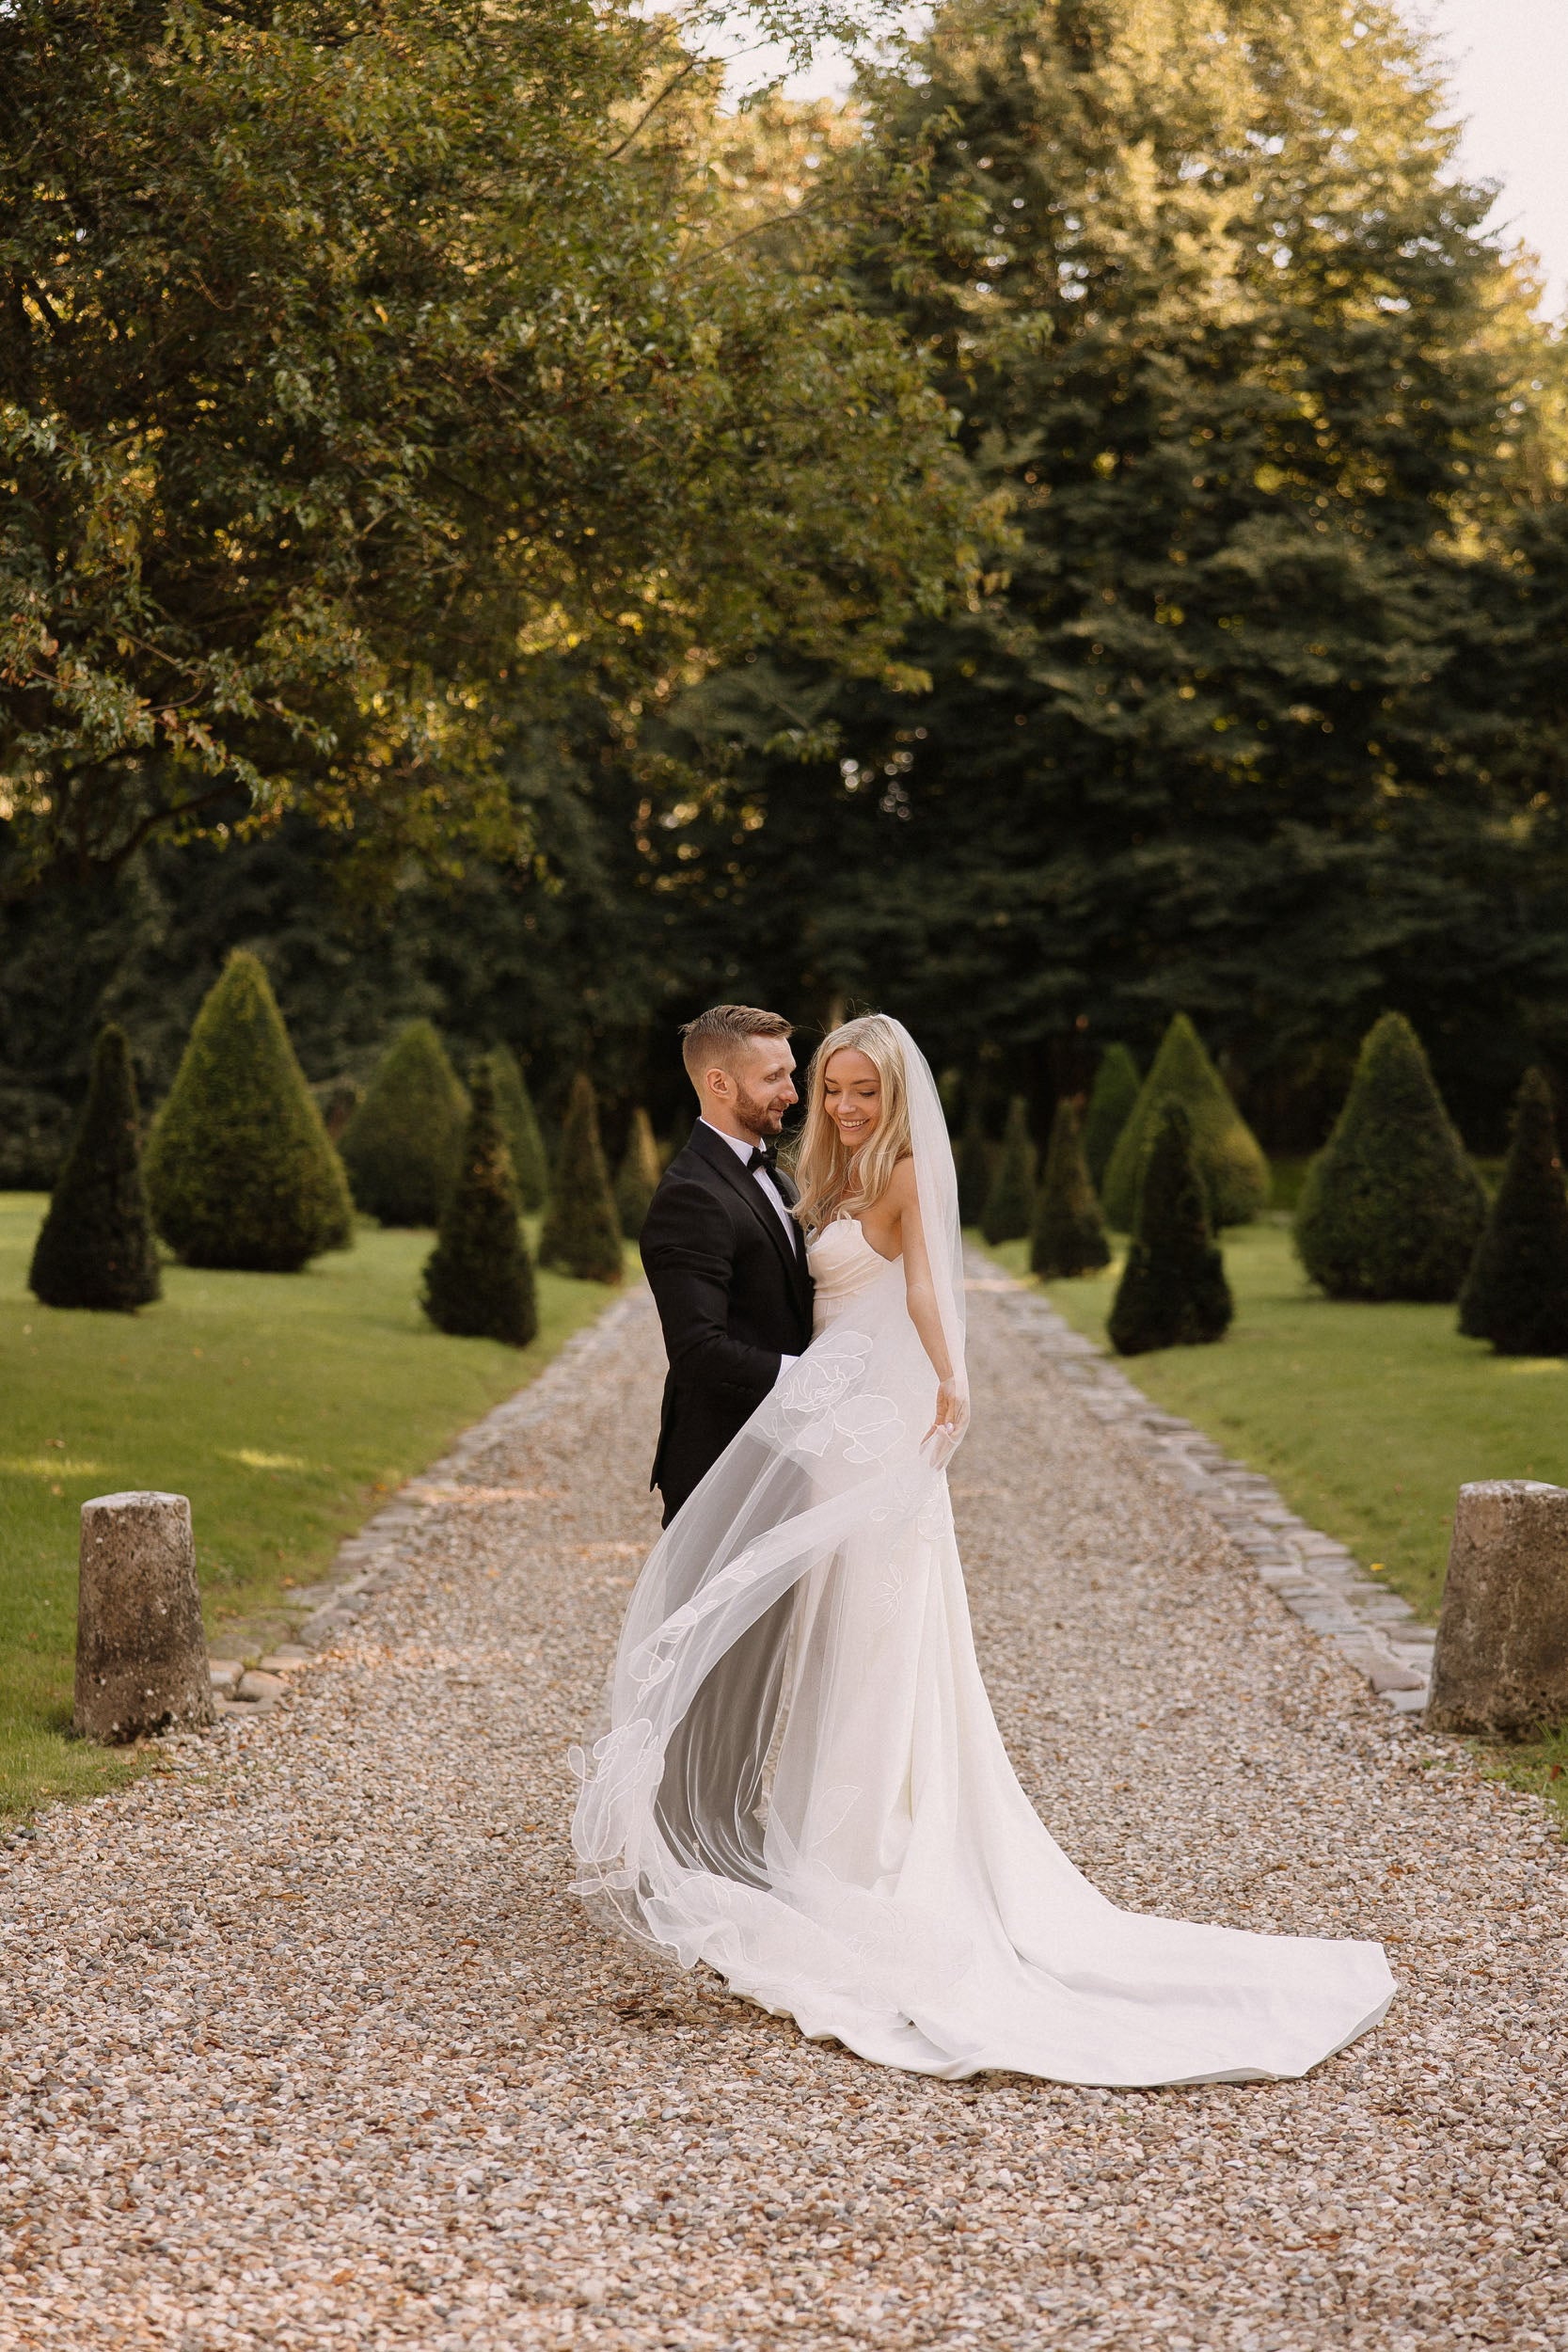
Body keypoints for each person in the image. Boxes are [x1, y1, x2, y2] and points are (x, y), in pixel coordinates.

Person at [572, 1013, 1395, 2085]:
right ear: (733, 1083)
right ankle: (731, 1837)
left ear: (893, 1093)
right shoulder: (759, 1181)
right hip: (799, 1446)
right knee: (803, 1650)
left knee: (868, 1645)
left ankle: (847, 1856)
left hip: (854, 1446)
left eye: (842, 1086)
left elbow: (916, 1292)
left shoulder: (862, 1172)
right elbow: (716, 1344)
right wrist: (818, 1393)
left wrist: (948, 1377)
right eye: (809, 1083)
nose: (825, 1100)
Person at [639, 1006, 815, 1527]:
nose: (793, 1093)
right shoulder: (691, 1196)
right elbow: (698, 1351)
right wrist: (813, 1378)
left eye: (789, 1073)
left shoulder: (777, 1177)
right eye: (773, 1077)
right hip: (724, 1462)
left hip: (788, 1454)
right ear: (718, 1082)